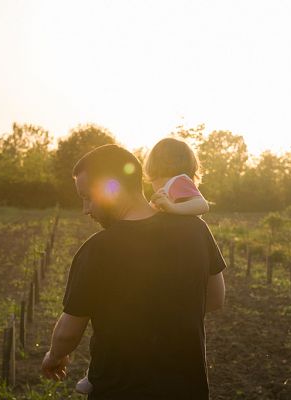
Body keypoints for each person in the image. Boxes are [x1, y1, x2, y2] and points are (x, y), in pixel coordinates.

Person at [41, 144, 226, 400]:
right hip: (188, 389)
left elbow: (68, 332)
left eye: (87, 197)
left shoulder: (97, 250)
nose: (86, 209)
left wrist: (54, 356)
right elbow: (216, 298)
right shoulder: (196, 230)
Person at [75, 137, 210, 394]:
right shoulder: (186, 216)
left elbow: (201, 204)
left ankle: (97, 374)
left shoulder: (178, 183)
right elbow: (215, 297)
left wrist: (170, 208)